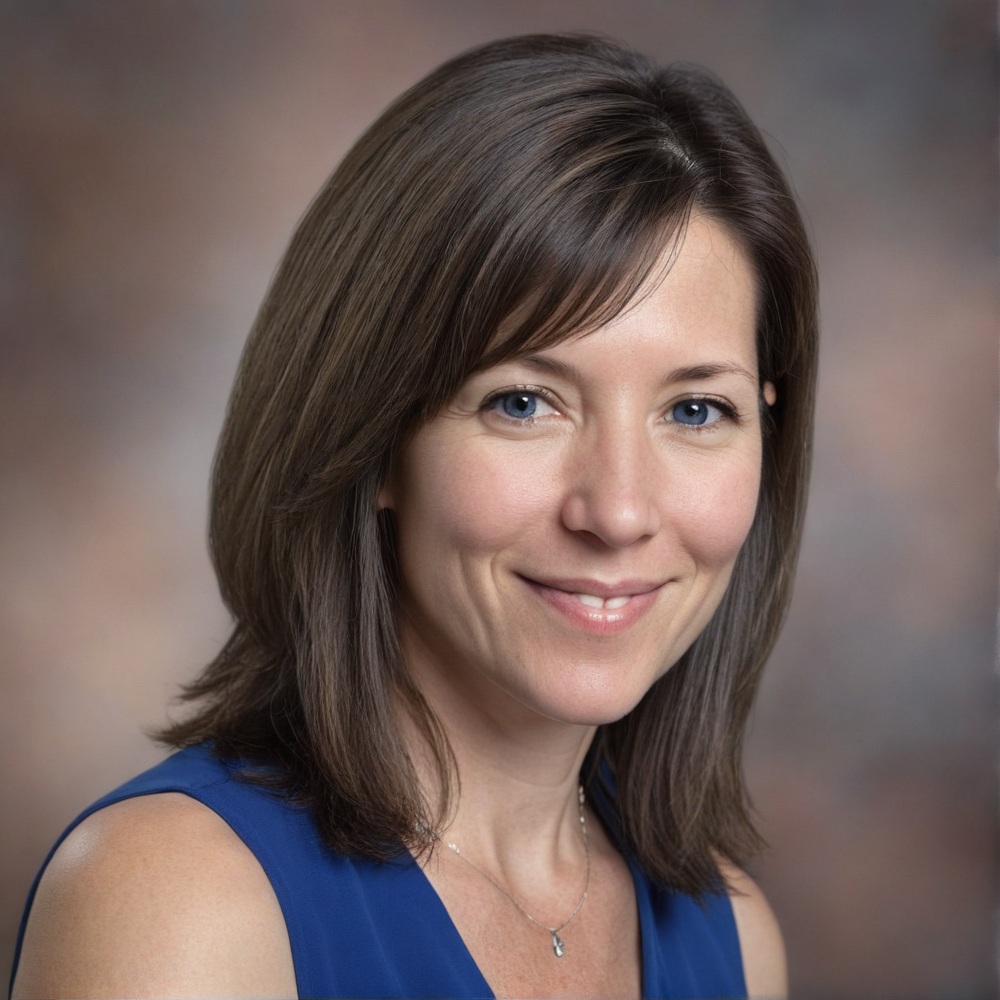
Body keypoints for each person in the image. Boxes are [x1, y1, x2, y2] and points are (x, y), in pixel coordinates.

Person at [10, 33, 816, 1000]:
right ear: (376, 433)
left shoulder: (734, 936)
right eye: (523, 402)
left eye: (695, 410)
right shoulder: (176, 905)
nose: (618, 510)